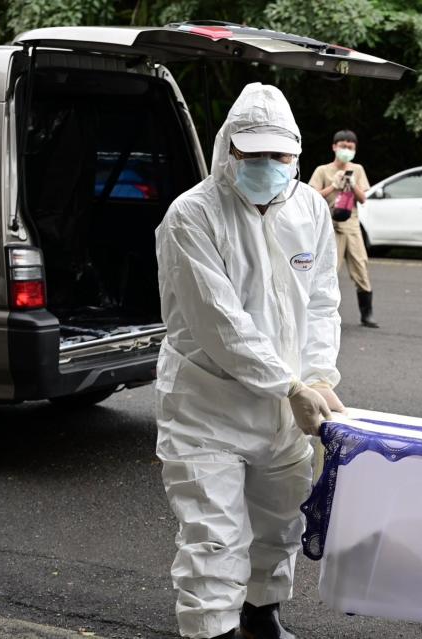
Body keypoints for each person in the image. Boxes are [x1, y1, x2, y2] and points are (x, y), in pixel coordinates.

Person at [154, 82, 347, 639]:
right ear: (228, 151)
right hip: (206, 405)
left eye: (279, 154)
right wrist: (290, 385)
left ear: (296, 153)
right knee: (214, 535)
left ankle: (262, 617)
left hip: (283, 411)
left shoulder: (308, 207)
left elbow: (321, 300)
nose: (267, 164)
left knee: (280, 522)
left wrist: (315, 375)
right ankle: (211, 631)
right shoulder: (192, 215)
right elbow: (221, 324)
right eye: (253, 153)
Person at [308, 130, 378, 328]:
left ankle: (367, 314)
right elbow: (312, 197)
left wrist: (352, 184)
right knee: (328, 270)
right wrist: (333, 185)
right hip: (330, 226)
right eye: (343, 146)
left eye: (350, 147)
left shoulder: (358, 169)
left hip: (353, 225)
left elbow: (363, 199)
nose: (346, 150)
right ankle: (322, 313)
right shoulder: (323, 170)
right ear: (334, 147)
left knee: (360, 266)